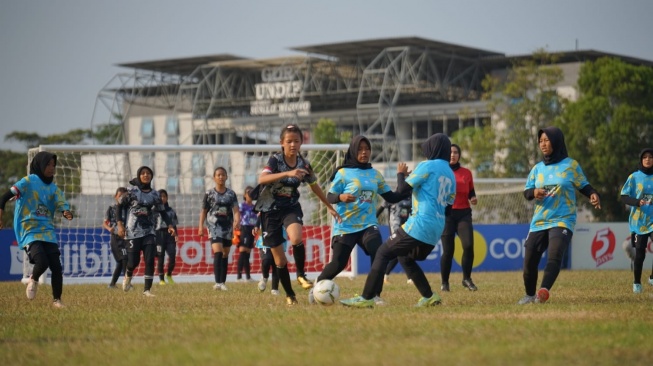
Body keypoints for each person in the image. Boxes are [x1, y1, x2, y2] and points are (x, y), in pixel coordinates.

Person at [341, 133, 456, 308]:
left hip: (420, 224)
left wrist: (401, 174)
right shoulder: (450, 173)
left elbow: (401, 190)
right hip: (437, 228)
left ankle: (366, 298)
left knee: (382, 252)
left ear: (433, 149)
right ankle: (429, 296)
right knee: (404, 257)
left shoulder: (427, 166)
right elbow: (448, 208)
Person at [309, 135, 408, 305]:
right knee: (338, 264)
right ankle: (317, 288)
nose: (364, 152)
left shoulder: (375, 175)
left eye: (367, 149)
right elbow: (330, 196)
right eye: (360, 149)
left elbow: (393, 197)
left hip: (368, 224)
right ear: (353, 151)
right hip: (345, 225)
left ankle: (374, 295)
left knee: (379, 254)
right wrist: (341, 196)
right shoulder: (342, 173)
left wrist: (401, 176)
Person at [254, 123, 341, 305]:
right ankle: (290, 296)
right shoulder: (275, 161)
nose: (293, 145)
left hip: (291, 208)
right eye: (289, 141)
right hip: (269, 212)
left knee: (296, 238)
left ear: (301, 143)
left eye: (296, 141)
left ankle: (301, 275)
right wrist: (287, 173)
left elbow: (314, 185)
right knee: (280, 260)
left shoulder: (304, 164)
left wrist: (329, 206)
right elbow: (262, 179)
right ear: (282, 143)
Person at [518, 127, 601, 305]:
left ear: (556, 141)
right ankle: (529, 295)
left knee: (555, 255)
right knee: (529, 262)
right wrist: (534, 191)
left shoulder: (571, 165)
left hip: (563, 219)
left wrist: (593, 194)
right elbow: (526, 192)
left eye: (546, 140)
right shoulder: (537, 169)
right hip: (540, 220)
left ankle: (543, 292)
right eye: (540, 141)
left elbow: (584, 185)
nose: (543, 144)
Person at [0, 151, 73, 308]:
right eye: (48, 164)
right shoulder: (28, 181)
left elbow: (62, 203)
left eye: (53, 165)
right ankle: (33, 280)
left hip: (47, 231)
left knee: (56, 267)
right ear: (39, 164)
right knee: (42, 261)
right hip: (29, 229)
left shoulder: (53, 188)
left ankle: (57, 301)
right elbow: (5, 196)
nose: (52, 168)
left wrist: (66, 212)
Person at [116, 166, 176, 297]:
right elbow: (119, 206)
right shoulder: (131, 192)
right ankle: (128, 274)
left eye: (148, 173)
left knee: (149, 260)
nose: (145, 175)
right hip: (132, 232)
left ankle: (147, 290)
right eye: (142, 173)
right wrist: (120, 225)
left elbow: (162, 211)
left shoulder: (155, 194)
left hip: (149, 231)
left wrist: (170, 225)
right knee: (133, 261)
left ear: (151, 176)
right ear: (139, 176)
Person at [440, 144, 478, 292]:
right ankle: (444, 283)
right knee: (448, 251)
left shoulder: (466, 173)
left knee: (468, 246)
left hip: (464, 214)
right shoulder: (442, 172)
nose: (452, 155)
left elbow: (471, 192)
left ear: (459, 155)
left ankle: (466, 279)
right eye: (450, 152)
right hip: (447, 215)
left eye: (455, 152)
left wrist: (473, 198)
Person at [198, 167, 240, 291]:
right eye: (218, 175)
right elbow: (204, 211)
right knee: (218, 251)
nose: (221, 177)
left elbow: (236, 210)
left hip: (227, 226)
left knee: (225, 254)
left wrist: (237, 221)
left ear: (226, 177)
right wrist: (201, 226)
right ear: (214, 177)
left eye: (223, 175)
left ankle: (222, 282)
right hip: (213, 225)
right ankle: (217, 283)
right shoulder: (209, 193)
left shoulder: (231, 194)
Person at [620, 148, 653, 293]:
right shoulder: (634, 177)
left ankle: (652, 277)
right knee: (640, 253)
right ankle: (637, 284)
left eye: (651, 157)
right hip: (638, 223)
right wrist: (637, 202)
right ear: (641, 160)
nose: (648, 159)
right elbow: (624, 196)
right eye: (645, 157)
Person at [376, 197, 412, 284]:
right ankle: (410, 278)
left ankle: (385, 275)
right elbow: (381, 208)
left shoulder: (411, 199)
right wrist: (372, 220)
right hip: (395, 229)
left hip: (406, 229)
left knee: (398, 254)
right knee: (401, 253)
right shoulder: (393, 196)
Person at [103, 187, 128, 289]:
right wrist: (109, 229)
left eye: (124, 196)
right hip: (116, 238)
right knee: (125, 259)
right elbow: (104, 223)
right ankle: (127, 283)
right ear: (115, 197)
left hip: (127, 237)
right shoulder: (112, 208)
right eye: (120, 196)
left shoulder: (129, 208)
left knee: (122, 261)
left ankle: (112, 284)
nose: (122, 198)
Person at [255, 214, 284, 295]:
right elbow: (261, 212)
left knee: (277, 263)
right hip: (265, 234)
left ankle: (274, 288)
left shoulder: (285, 202)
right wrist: (256, 225)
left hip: (279, 234)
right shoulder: (267, 202)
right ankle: (264, 277)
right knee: (266, 260)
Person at [156, 189, 179, 285]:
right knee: (160, 258)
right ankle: (161, 279)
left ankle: (168, 274)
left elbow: (174, 224)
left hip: (169, 235)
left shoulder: (171, 211)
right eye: (160, 196)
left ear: (167, 198)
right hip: (159, 235)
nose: (162, 198)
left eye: (164, 196)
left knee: (172, 256)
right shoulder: (154, 210)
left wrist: (176, 234)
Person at [236, 186, 257, 282]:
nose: (250, 195)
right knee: (243, 251)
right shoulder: (242, 206)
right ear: (245, 195)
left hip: (252, 229)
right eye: (249, 192)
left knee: (248, 253)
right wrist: (236, 227)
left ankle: (248, 276)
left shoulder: (255, 207)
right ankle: (239, 277)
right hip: (244, 228)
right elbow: (237, 217)